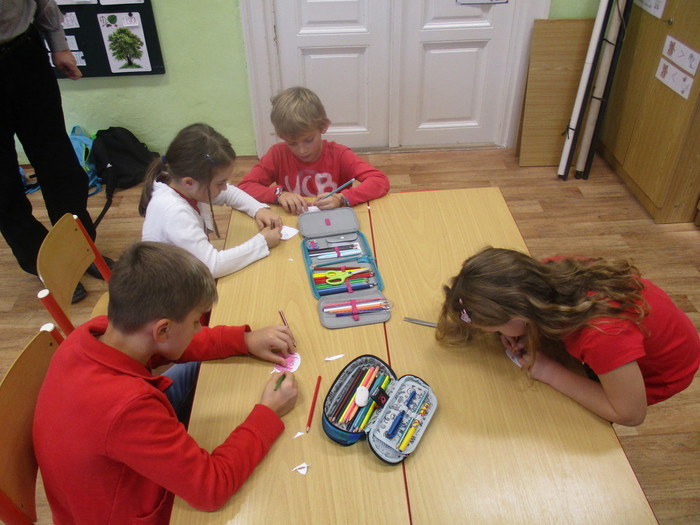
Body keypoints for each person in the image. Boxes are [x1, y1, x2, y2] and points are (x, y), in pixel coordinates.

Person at [34, 241, 299, 524]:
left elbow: (170, 346)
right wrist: (267, 414)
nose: (199, 329)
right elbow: (211, 489)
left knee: (198, 375)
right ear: (162, 330)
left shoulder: (94, 334)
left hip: (105, 484)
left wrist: (243, 340)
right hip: (128, 514)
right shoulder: (127, 408)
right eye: (196, 322)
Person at [436, 247, 700, 426]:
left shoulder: (600, 335)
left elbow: (630, 414)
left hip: (662, 371)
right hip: (644, 336)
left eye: (497, 330)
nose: (497, 335)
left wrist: (549, 372)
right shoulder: (543, 274)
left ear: (521, 316)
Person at [0, 0, 99, 302]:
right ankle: (44, 265)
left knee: (61, 168)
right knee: (3, 186)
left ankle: (81, 251)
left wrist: (59, 44)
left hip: (24, 53)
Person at [140, 123, 283, 279]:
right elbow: (211, 266)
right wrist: (262, 242)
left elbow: (228, 193)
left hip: (188, 274)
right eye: (220, 183)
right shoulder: (174, 212)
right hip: (174, 286)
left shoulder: (182, 184)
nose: (224, 187)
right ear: (189, 182)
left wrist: (258, 209)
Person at [238, 86, 390, 215]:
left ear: (323, 126)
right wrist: (278, 195)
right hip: (293, 221)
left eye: (308, 140)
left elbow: (379, 181)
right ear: (281, 136)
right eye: (292, 143)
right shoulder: (277, 154)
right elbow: (244, 187)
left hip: (334, 218)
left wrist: (342, 198)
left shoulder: (339, 154)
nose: (302, 150)